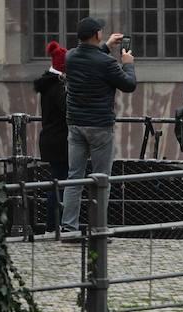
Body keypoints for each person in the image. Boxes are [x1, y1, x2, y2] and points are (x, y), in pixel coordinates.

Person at [60, 17, 135, 235]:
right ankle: (98, 228)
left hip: (75, 124)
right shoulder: (107, 63)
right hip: (100, 126)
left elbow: (89, 57)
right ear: (97, 34)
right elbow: (128, 85)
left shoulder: (70, 56)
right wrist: (128, 65)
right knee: (102, 178)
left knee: (74, 177)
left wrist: (106, 46)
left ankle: (69, 228)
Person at [34, 40, 69, 232]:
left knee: (57, 181)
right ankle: (53, 224)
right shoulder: (57, 88)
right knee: (59, 183)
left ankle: (53, 224)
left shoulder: (48, 84)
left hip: (51, 141)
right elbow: (66, 109)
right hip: (59, 142)